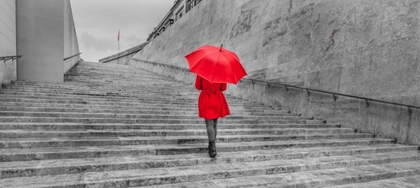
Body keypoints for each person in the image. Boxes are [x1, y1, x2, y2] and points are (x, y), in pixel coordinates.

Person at [195, 75, 230, 158]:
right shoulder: (220, 72)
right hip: (217, 98)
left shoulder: (202, 72)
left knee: (209, 123)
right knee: (214, 123)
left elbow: (198, 86)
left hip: (206, 98)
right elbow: (223, 88)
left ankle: (212, 147)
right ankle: (212, 147)